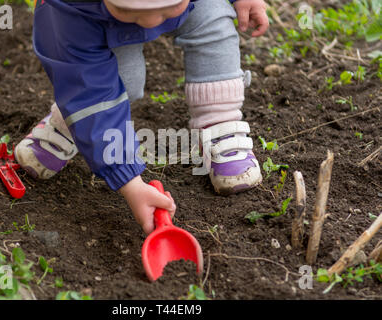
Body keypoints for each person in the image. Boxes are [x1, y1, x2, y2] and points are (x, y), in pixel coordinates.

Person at [15, 0, 269, 234]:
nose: (151, 21)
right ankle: (68, 123)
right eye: (127, 7)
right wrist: (129, 181)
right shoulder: (66, 10)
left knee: (213, 26)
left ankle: (220, 124)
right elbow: (85, 85)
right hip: (96, 19)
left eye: (169, 4)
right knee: (121, 78)